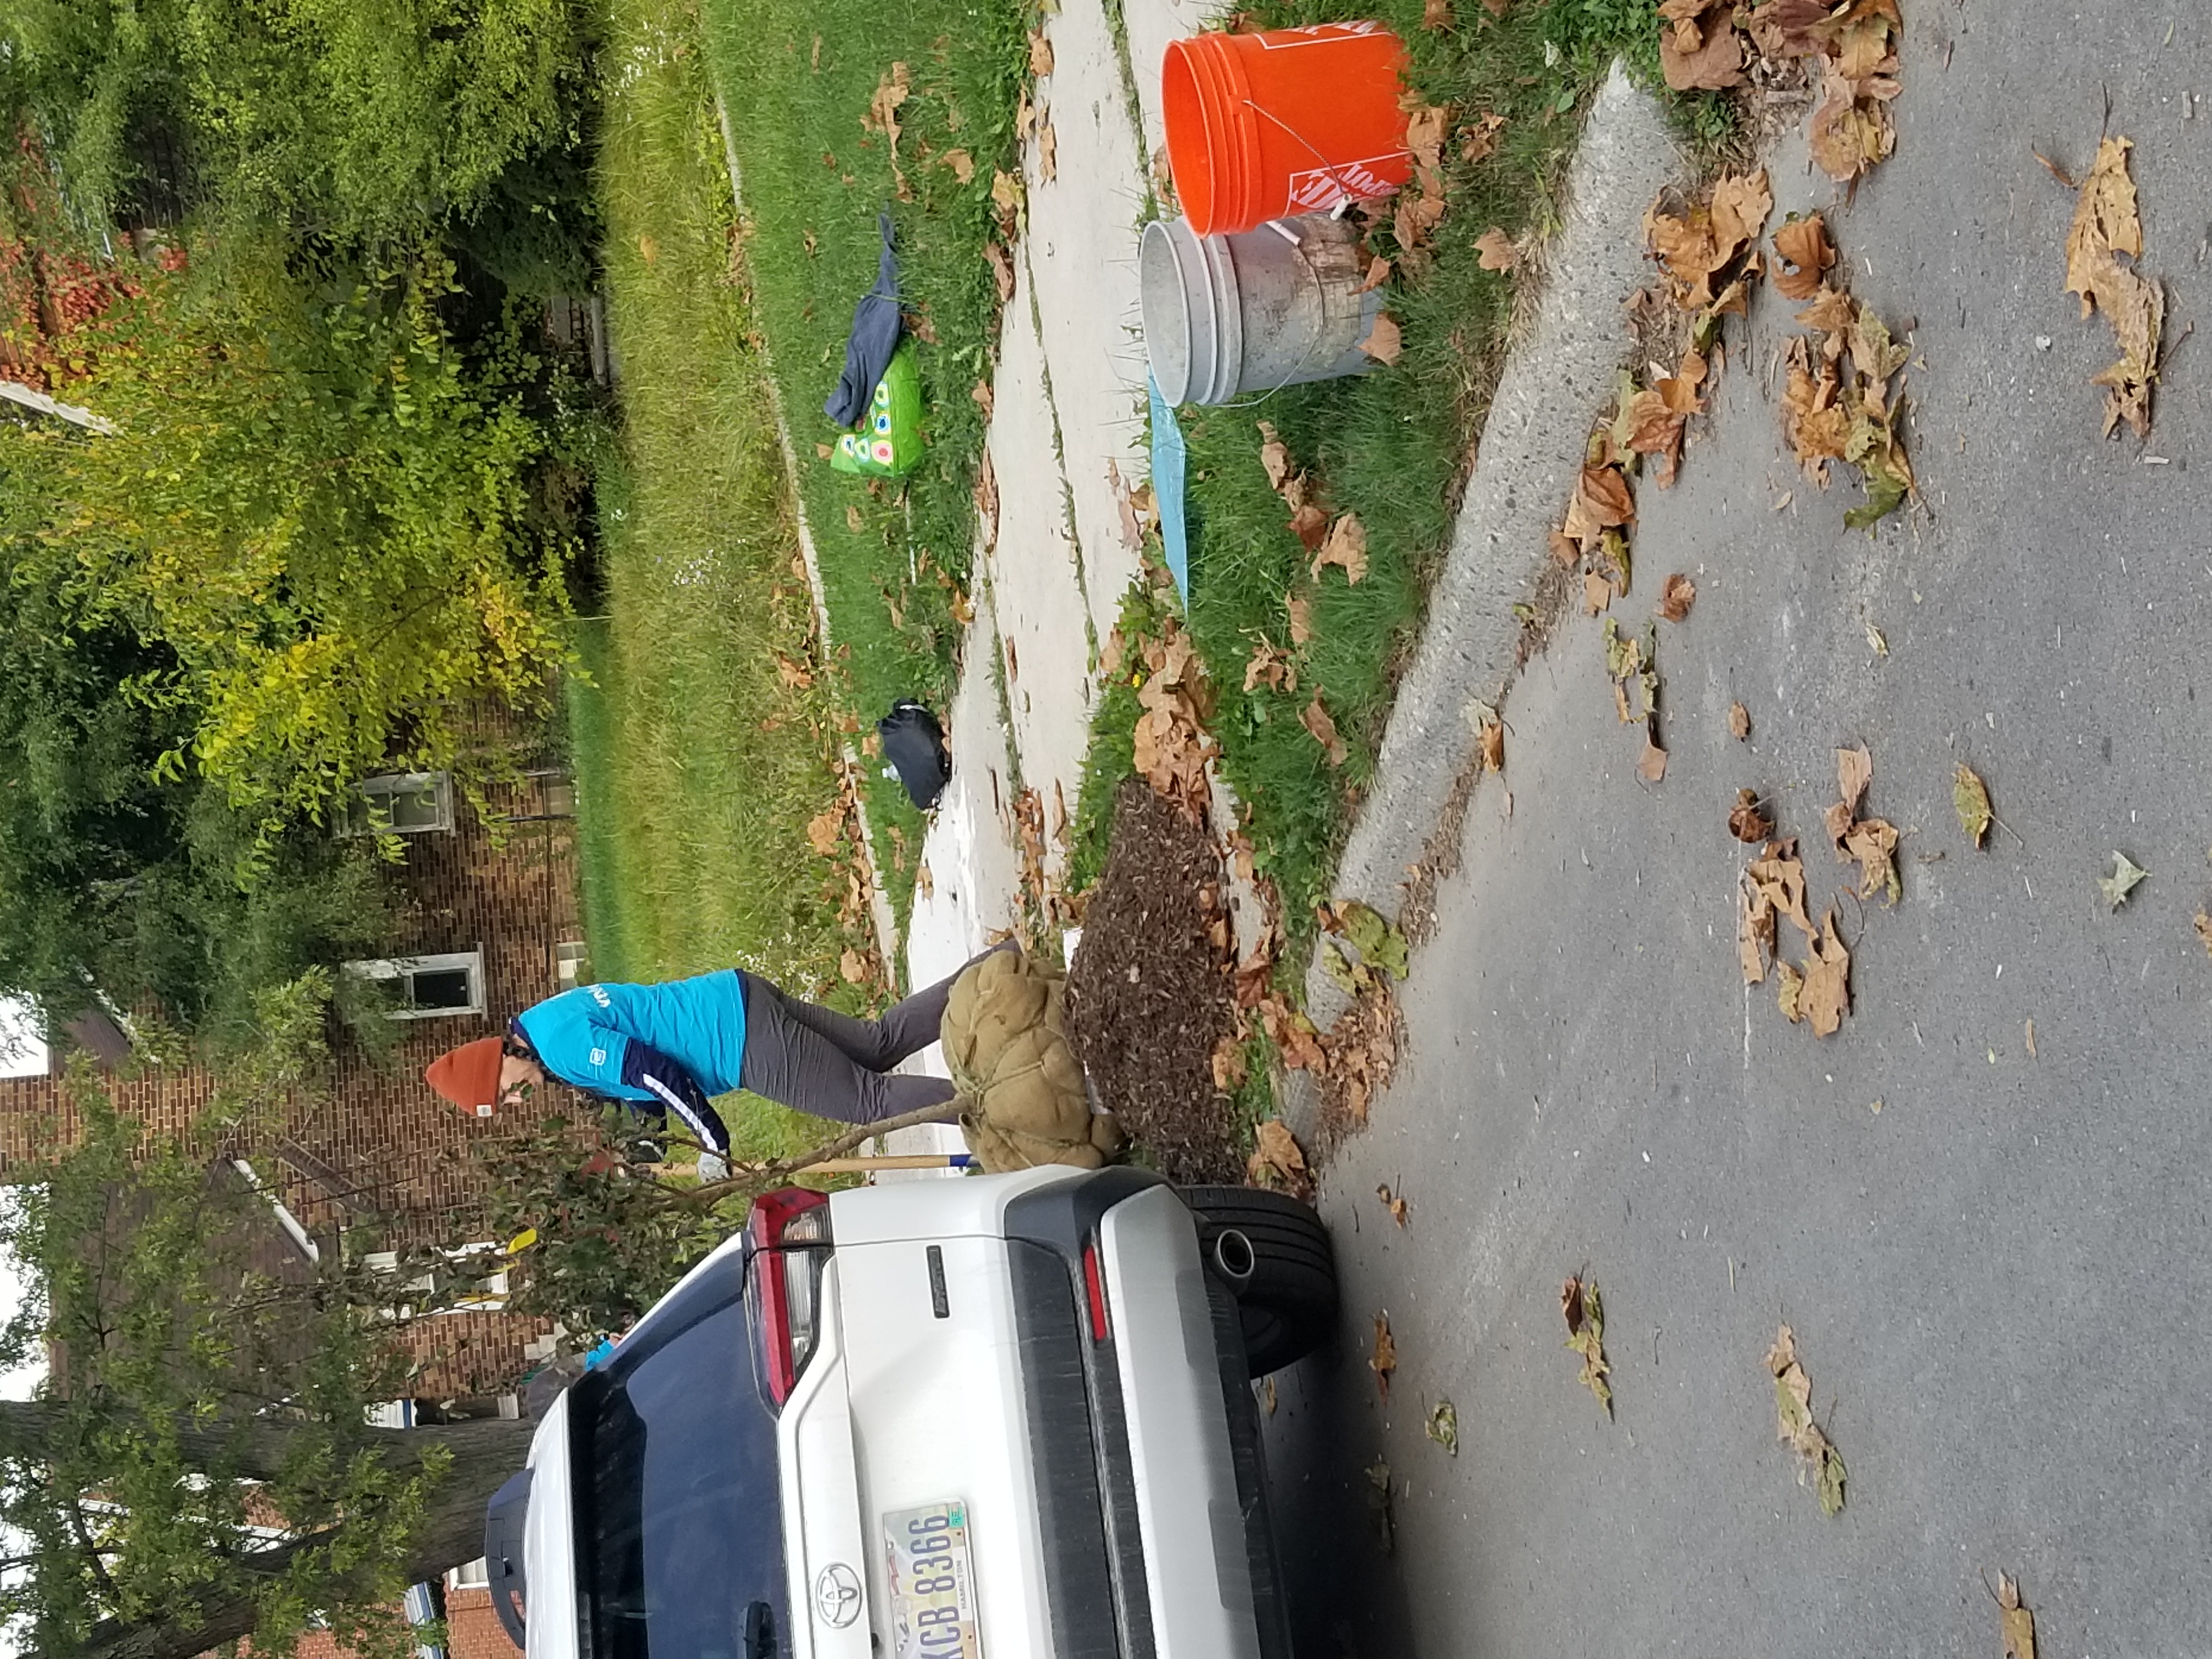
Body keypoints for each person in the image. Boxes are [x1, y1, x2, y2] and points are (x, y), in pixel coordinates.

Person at [422, 943, 1012, 1160]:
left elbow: (656, 1071)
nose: (517, 1097)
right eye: (507, 1103)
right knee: (878, 1044)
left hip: (737, 1043)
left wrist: (712, 1141)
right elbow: (639, 1071)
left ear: (499, 1057)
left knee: (868, 1100)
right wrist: (646, 1135)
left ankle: (1011, 1104)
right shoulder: (545, 1030)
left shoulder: (559, 1044)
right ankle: (1002, 969)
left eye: (506, 1089)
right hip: (735, 997)